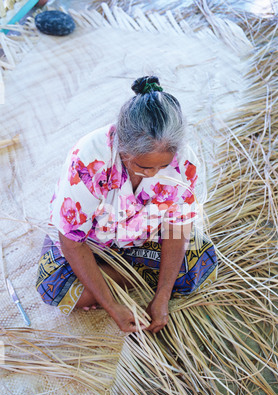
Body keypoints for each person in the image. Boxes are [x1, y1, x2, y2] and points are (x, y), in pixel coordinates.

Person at [36, 76, 217, 334]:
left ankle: (114, 275)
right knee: (52, 286)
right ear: (122, 147)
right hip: (92, 244)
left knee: (200, 264)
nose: (154, 174)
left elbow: (177, 230)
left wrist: (163, 296)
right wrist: (111, 305)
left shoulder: (184, 163)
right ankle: (124, 274)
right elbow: (71, 242)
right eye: (143, 167)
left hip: (144, 239)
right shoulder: (89, 159)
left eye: (162, 166)